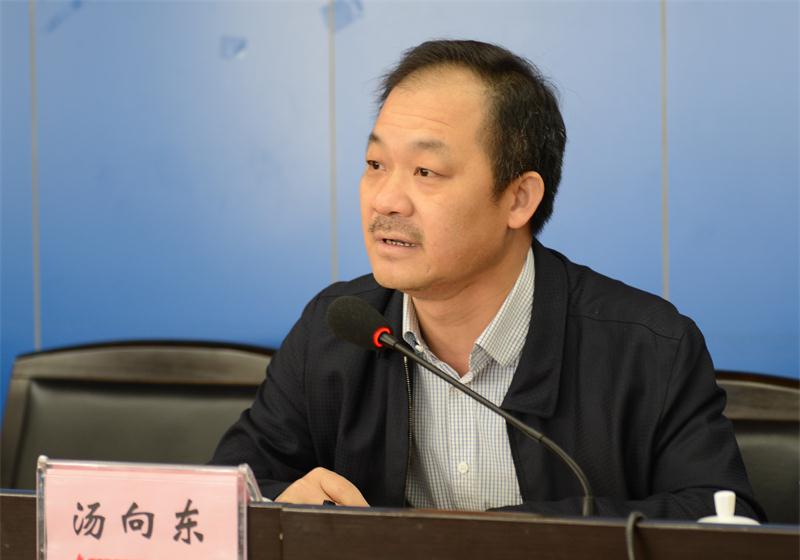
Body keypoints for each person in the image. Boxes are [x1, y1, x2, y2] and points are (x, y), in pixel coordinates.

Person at [212, 40, 763, 520]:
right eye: (376, 165)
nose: (386, 200)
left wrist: (499, 544)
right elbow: (224, 495)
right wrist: (279, 503)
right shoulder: (336, 330)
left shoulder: (648, 347)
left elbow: (721, 518)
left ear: (518, 199)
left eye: (426, 172)